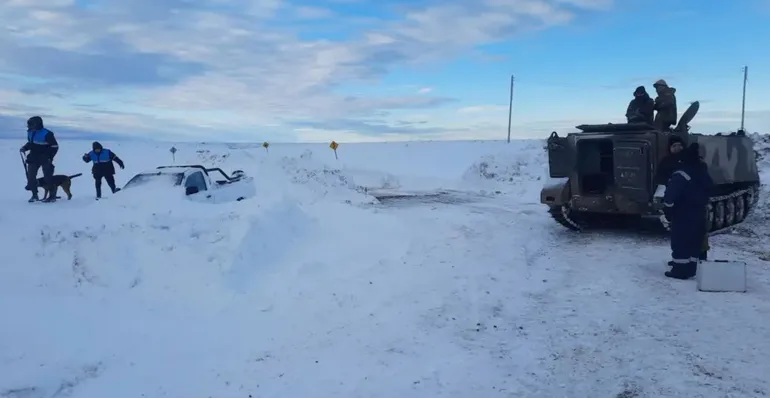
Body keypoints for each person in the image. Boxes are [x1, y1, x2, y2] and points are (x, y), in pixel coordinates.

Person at [661, 143, 713, 279]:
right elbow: (710, 188)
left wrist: (667, 210)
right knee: (694, 241)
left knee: (680, 241)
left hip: (683, 213)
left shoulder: (681, 174)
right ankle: (691, 268)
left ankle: (680, 270)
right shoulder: (702, 171)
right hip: (699, 212)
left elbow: (670, 196)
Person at [20, 116, 59, 202]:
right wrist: (25, 147)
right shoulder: (30, 132)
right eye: (28, 125)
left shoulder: (47, 134)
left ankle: (52, 196)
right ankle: (34, 195)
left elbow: (55, 147)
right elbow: (31, 143)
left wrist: (49, 157)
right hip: (33, 157)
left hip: (45, 158)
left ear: (37, 124)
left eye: (31, 125)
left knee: (48, 177)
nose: (29, 126)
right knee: (31, 177)